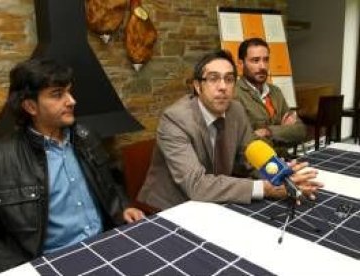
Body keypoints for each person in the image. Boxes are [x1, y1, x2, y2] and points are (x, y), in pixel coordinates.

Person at [0, 58, 144, 275]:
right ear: (30, 106)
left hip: (106, 246)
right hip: (51, 264)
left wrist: (123, 207)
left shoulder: (86, 137)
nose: (72, 100)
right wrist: (22, 271)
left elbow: (110, 184)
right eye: (57, 94)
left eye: (70, 92)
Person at [137, 50, 321, 210]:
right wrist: (264, 188)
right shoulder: (175, 119)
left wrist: (280, 173)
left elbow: (248, 159)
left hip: (214, 200)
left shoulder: (236, 110)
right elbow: (196, 185)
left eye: (229, 79)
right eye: (213, 78)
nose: (223, 86)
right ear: (197, 86)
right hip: (170, 207)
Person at [235, 37, 306, 158]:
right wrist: (283, 130)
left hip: (284, 160)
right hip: (257, 168)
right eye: (255, 60)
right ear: (241, 63)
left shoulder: (275, 92)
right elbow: (246, 142)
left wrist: (268, 132)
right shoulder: (234, 94)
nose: (262, 66)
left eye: (266, 60)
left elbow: (300, 131)